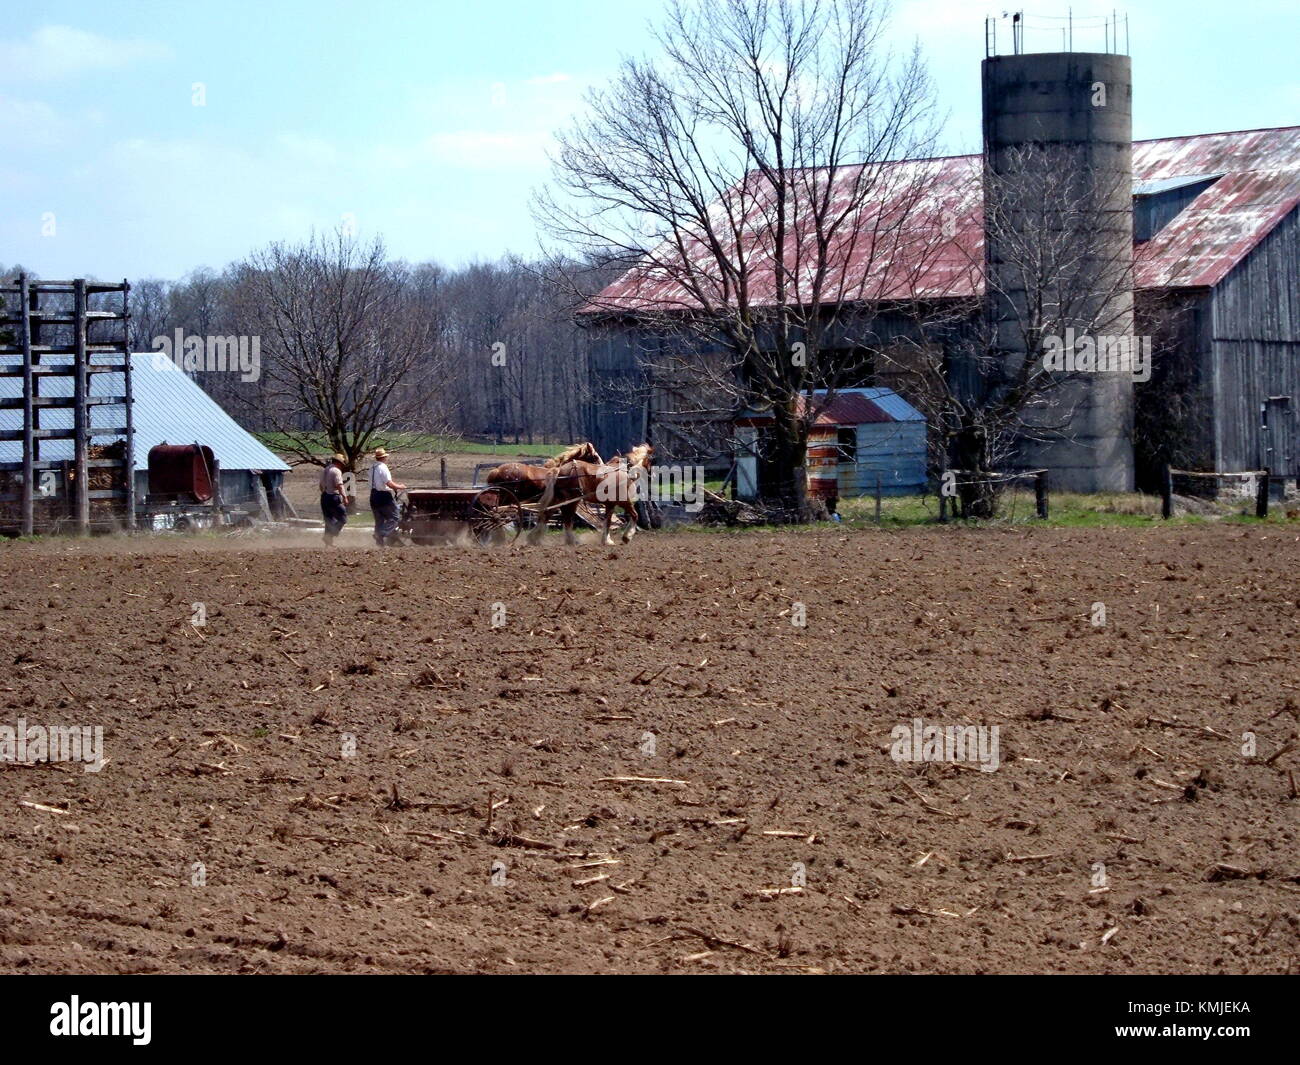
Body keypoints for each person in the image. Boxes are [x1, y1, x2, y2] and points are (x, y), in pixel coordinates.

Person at [369, 447, 406, 547]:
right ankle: (380, 534)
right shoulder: (383, 467)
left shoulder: (372, 468)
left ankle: (380, 544)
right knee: (395, 517)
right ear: (384, 457)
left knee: (379, 520)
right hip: (383, 496)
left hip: (373, 495)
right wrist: (400, 487)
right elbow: (389, 483)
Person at [319, 453, 349, 544]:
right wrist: (344, 497)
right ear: (339, 463)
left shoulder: (326, 470)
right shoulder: (336, 471)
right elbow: (339, 485)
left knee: (329, 520)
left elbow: (320, 484)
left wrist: (324, 493)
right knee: (343, 518)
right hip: (333, 497)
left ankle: (328, 542)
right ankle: (330, 535)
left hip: (324, 496)